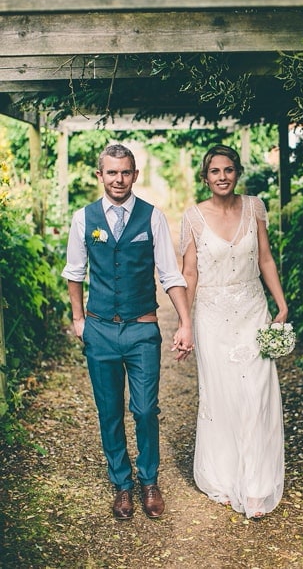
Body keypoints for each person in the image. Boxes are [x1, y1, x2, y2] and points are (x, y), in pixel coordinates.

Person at [62, 143, 194, 520]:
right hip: (100, 330)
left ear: (135, 175)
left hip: (141, 330)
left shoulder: (152, 217)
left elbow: (170, 274)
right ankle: (122, 484)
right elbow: (74, 273)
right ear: (99, 175)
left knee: (145, 408)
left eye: (126, 172)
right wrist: (78, 319)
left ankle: (148, 480)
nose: (119, 179)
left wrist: (184, 322)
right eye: (112, 172)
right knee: (109, 411)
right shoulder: (83, 218)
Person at [180, 145, 287, 519]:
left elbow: (265, 257)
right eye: (214, 171)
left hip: (253, 311)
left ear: (237, 173)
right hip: (211, 315)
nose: (222, 176)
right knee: (223, 397)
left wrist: (282, 304)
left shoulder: (254, 207)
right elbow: (189, 273)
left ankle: (256, 486)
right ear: (205, 176)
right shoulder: (193, 217)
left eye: (228, 170)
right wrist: (185, 322)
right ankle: (224, 478)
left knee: (257, 395)